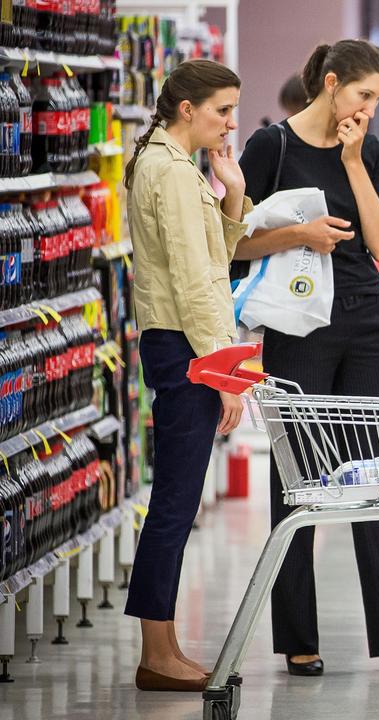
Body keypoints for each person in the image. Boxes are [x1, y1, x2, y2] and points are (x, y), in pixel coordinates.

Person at [235, 39, 379, 678]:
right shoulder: (271, 147)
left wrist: (354, 163)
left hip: (366, 317)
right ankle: (298, 638)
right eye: (365, 95)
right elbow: (234, 243)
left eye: (378, 100)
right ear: (333, 82)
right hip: (297, 323)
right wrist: (300, 235)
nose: (371, 108)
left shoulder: (369, 150)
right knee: (299, 482)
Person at [122, 58, 250, 692]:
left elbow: (214, 259)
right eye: (222, 110)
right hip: (184, 346)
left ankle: (163, 644)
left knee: (179, 497)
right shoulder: (168, 171)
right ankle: (155, 652)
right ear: (186, 109)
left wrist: (232, 195)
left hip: (183, 342)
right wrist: (224, 367)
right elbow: (195, 281)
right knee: (175, 499)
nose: (230, 123)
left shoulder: (177, 166)